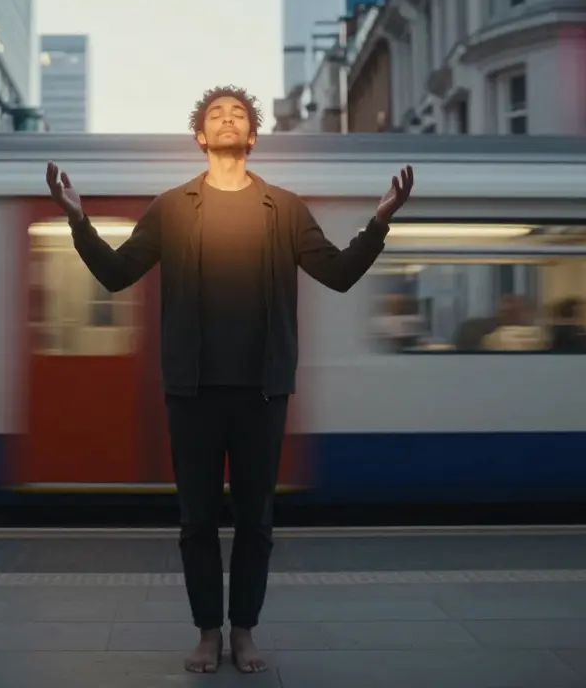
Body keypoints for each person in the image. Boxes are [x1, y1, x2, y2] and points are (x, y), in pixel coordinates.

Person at [45, 85, 414, 674]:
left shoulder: (284, 208)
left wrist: (379, 221)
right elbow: (116, 274)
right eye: (215, 114)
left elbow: (339, 273)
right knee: (195, 520)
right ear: (199, 134)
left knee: (254, 520)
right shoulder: (171, 206)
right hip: (191, 389)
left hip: (261, 389)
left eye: (237, 113)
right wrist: (78, 218)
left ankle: (243, 630)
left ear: (252, 135)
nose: (225, 119)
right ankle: (206, 631)